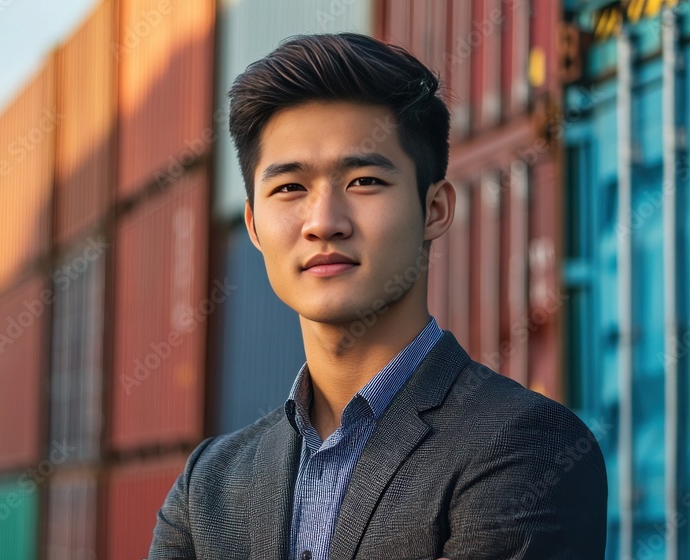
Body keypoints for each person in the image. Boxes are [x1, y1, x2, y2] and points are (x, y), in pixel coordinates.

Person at [149, 32, 607, 559]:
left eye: (364, 181)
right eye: (290, 188)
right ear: (253, 226)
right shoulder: (207, 484)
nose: (324, 223)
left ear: (434, 210)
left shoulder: (527, 447)